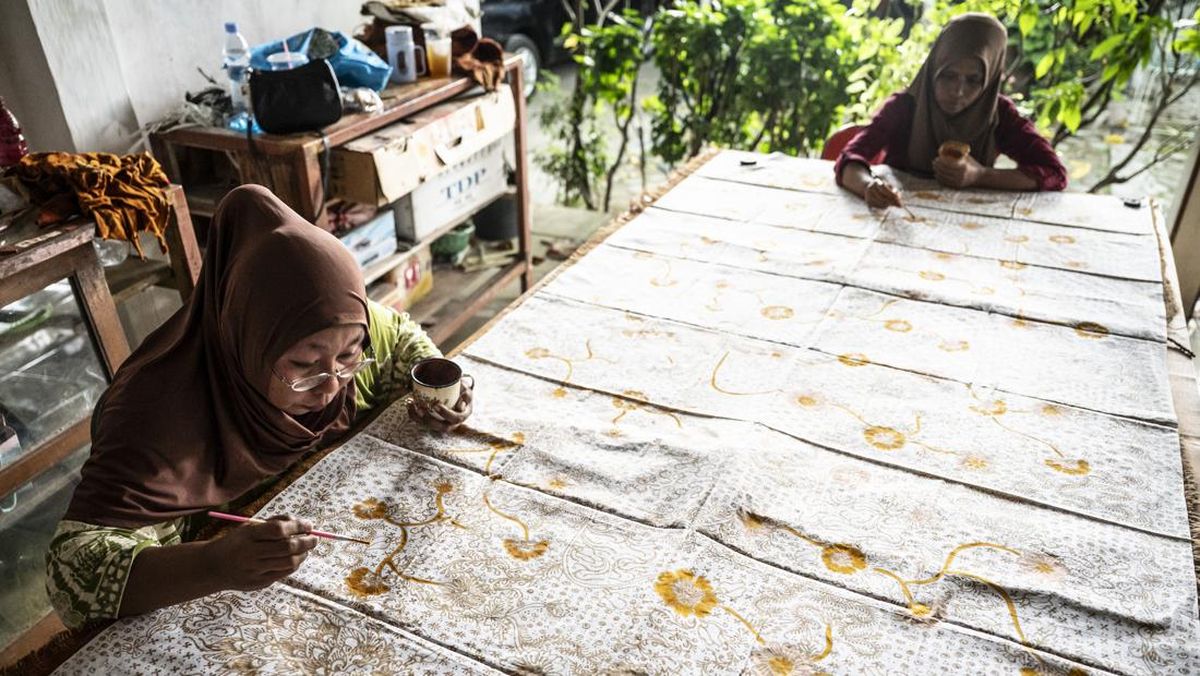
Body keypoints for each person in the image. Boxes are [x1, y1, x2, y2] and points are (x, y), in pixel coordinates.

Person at [45, 185, 471, 627]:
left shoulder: (338, 327)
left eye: (349, 357)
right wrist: (213, 563)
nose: (331, 387)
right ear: (246, 341)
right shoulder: (156, 415)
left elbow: (400, 337)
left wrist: (437, 384)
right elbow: (70, 571)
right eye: (304, 366)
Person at [835, 12, 1068, 209]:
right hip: (899, 215)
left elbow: (1053, 173)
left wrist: (979, 175)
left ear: (989, 81)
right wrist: (868, 186)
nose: (958, 91)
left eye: (973, 80)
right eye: (948, 76)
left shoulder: (998, 115)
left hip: (970, 223)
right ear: (933, 69)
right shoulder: (905, 106)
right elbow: (849, 158)